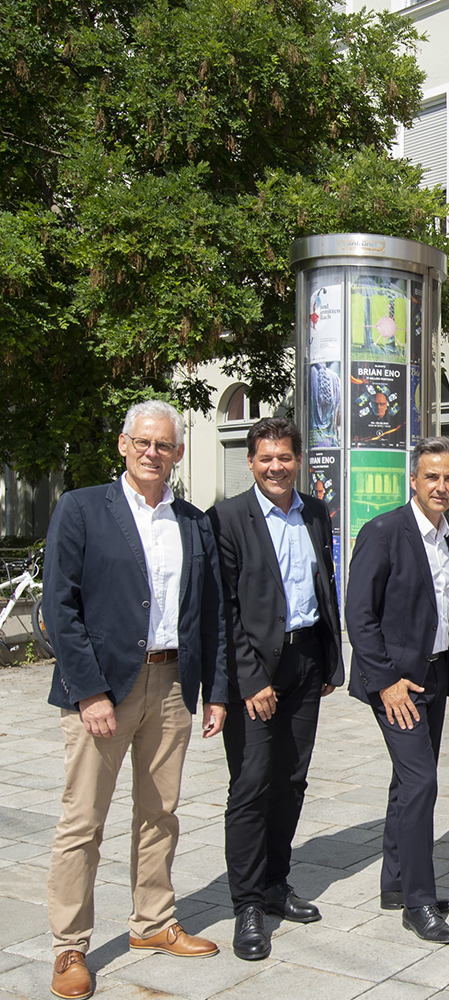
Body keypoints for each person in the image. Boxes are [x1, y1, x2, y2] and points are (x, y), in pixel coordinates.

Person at [42, 400, 228, 1000]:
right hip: (105, 689)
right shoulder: (81, 508)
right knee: (83, 821)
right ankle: (69, 944)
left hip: (172, 684)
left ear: (177, 452)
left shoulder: (195, 521)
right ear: (123, 445)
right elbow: (59, 606)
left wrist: (215, 692)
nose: (154, 453)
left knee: (160, 813)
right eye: (143, 442)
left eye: (165, 445)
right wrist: (88, 690)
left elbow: (213, 614)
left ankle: (152, 922)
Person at [209, 418, 344, 962]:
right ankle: (245, 904)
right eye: (265, 458)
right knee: (251, 785)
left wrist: (329, 659)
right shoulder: (229, 518)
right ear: (251, 461)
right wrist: (250, 678)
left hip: (305, 660)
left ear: (297, 459)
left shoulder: (313, 511)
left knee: (291, 779)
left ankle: (274, 884)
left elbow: (323, 583)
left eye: (284, 457)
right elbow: (226, 608)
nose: (275, 467)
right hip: (257, 671)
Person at [346, 437, 449, 944]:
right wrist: (384, 684)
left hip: (435, 677)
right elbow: (359, 615)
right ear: (413, 479)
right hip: (397, 684)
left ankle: (396, 884)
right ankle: (420, 904)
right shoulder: (383, 532)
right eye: (432, 477)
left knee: (407, 785)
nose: (441, 486)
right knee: (422, 783)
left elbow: (434, 598)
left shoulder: (446, 534)